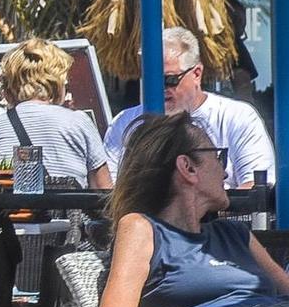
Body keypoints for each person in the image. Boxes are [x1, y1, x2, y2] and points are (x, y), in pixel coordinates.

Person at [97, 110, 289, 307]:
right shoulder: (142, 228)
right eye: (218, 157)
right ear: (187, 167)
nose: (226, 173)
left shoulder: (235, 234)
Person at [106, 27, 274, 188]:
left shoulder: (237, 117)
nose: (160, 89)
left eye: (170, 80)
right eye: (151, 80)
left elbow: (257, 185)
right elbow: (109, 188)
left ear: (196, 74)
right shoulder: (125, 123)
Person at [0, 38, 112, 189]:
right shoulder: (78, 122)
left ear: (8, 87)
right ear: (57, 83)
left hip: (7, 211)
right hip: (66, 211)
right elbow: (104, 191)